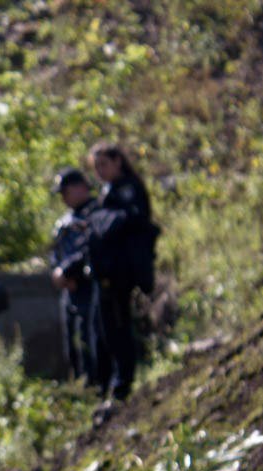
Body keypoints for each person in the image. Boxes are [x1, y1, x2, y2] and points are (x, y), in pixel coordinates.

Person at [85, 142, 154, 406]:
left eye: (103, 164)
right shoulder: (109, 192)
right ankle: (108, 386)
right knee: (103, 332)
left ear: (118, 162)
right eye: (96, 166)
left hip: (120, 273)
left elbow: (127, 223)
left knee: (118, 328)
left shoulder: (128, 190)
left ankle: (122, 385)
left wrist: (100, 221)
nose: (100, 171)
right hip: (105, 274)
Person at [49, 167, 106, 388]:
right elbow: (55, 252)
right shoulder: (64, 220)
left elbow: (90, 249)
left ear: (81, 187)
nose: (63, 197)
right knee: (72, 342)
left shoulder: (96, 212)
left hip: (88, 286)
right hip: (68, 290)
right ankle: (82, 386)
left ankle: (96, 384)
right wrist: (58, 273)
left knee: (90, 337)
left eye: (66, 191)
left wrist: (70, 272)